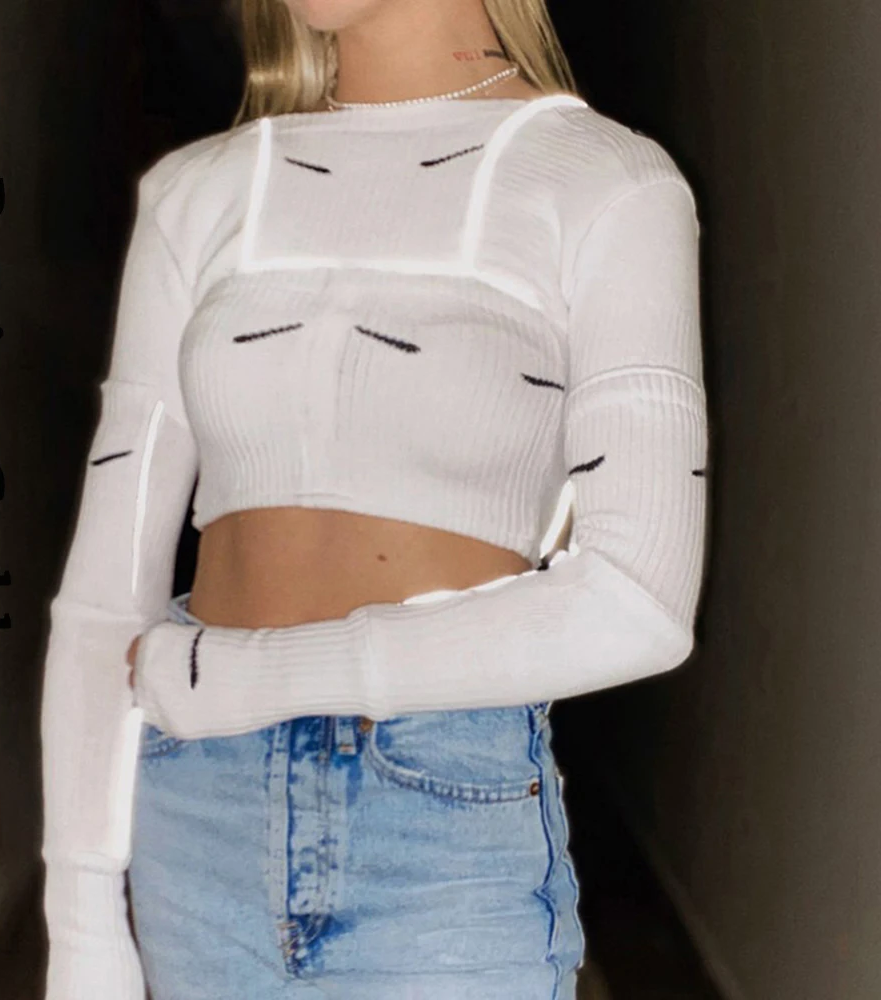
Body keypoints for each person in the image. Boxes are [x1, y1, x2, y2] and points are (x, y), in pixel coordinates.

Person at [38, 0, 709, 997]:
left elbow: (638, 603)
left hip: (437, 832)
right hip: (191, 825)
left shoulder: (605, 183)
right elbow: (103, 599)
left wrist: (254, 678)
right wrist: (83, 927)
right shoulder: (196, 193)